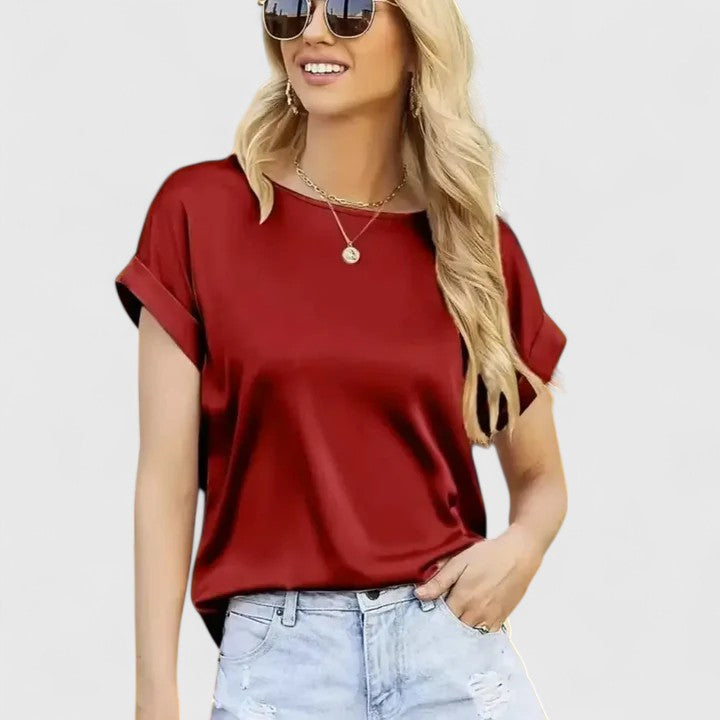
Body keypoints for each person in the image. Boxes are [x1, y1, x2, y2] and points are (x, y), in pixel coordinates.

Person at [114, 1, 568, 718]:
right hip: (284, 664)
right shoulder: (198, 213)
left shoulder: (473, 249)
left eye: (352, 9)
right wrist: (154, 697)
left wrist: (524, 545)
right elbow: (165, 484)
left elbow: (542, 481)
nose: (314, 31)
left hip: (447, 649)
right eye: (290, 7)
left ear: (415, 38)